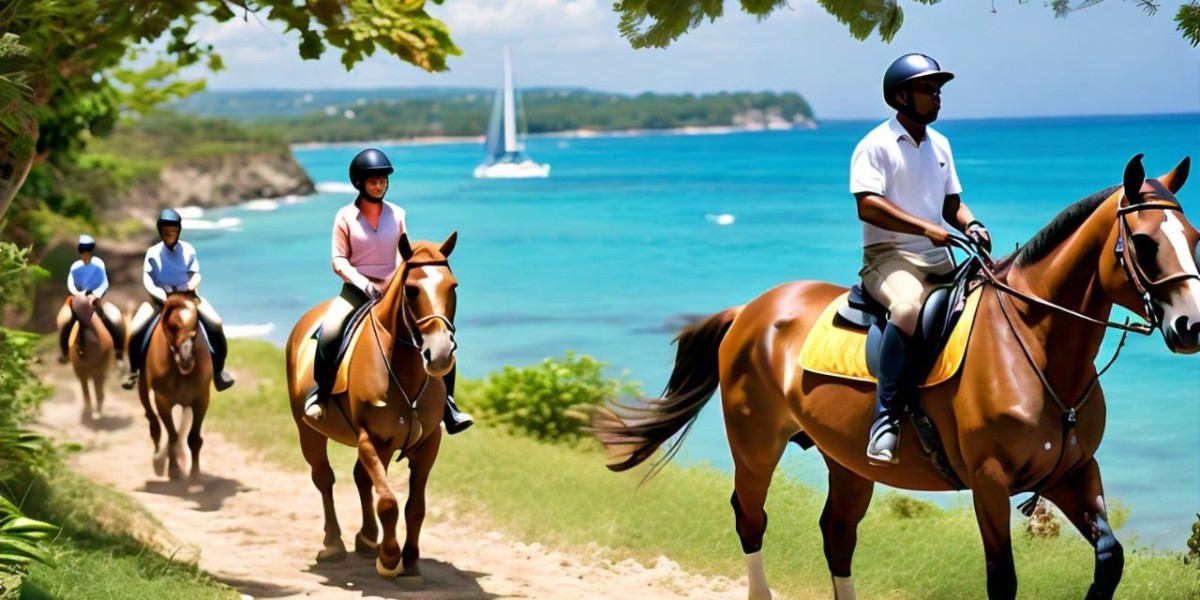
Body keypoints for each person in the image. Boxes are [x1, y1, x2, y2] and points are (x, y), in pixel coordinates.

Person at [850, 53, 992, 465]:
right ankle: (886, 420)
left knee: (994, 300)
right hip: (889, 256)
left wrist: (972, 223)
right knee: (908, 307)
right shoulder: (874, 145)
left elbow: (952, 206)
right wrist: (923, 228)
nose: (937, 98)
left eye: (939, 90)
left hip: (939, 254)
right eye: (929, 90)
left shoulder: (941, 145)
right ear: (901, 97)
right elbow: (868, 206)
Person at [304, 148, 474, 435]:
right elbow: (338, 260)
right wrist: (363, 283)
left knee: (439, 336)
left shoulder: (397, 213)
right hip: (357, 289)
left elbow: (402, 253)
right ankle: (320, 395)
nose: (379, 185)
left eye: (383, 181)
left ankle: (448, 404)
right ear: (360, 183)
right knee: (331, 332)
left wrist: (393, 281)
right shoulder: (345, 216)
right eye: (373, 181)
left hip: (391, 288)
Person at [121, 209, 235, 392]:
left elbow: (195, 273)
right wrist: (161, 296)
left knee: (216, 323)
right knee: (135, 329)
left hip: (187, 298)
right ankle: (134, 371)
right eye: (167, 232)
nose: (171, 235)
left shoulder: (188, 249)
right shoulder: (153, 253)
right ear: (161, 232)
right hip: (160, 300)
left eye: (174, 232)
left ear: (179, 231)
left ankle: (219, 371)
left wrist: (192, 284)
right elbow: (148, 280)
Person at [56, 234, 126, 363]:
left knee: (107, 319)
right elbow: (70, 283)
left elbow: (104, 281)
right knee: (69, 321)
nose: (85, 254)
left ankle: (118, 350)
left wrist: (96, 295)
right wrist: (80, 293)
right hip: (79, 298)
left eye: (87, 250)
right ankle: (65, 351)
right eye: (83, 251)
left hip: (95, 298)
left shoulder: (98, 264)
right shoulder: (75, 266)